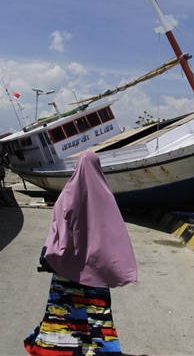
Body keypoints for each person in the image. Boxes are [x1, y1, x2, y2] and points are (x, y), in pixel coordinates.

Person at [24, 151, 137, 356]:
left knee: (64, 311)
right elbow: (114, 236)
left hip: (66, 269)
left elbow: (57, 230)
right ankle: (99, 349)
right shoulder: (106, 197)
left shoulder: (67, 195)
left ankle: (58, 348)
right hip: (96, 273)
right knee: (95, 314)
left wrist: (49, 254)